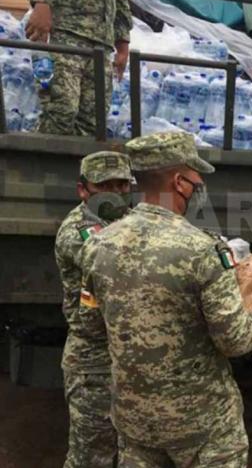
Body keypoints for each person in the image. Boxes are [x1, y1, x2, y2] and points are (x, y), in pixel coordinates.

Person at [79, 132, 252, 466]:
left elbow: (93, 325)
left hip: (135, 420)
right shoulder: (202, 250)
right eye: (197, 180)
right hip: (201, 424)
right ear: (180, 182)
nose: (199, 188)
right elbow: (235, 340)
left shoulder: (98, 245)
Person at [54, 151, 131, 467]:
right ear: (83, 190)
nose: (115, 192)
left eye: (122, 184)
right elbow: (122, 268)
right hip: (94, 364)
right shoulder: (80, 231)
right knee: (92, 459)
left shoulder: (122, 219)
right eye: (104, 186)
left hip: (125, 358)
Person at [22, 0, 133, 136]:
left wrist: (123, 44)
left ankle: (74, 163)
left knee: (93, 121)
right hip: (65, 32)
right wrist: (41, 3)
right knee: (61, 110)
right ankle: (38, 160)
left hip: (101, 44)